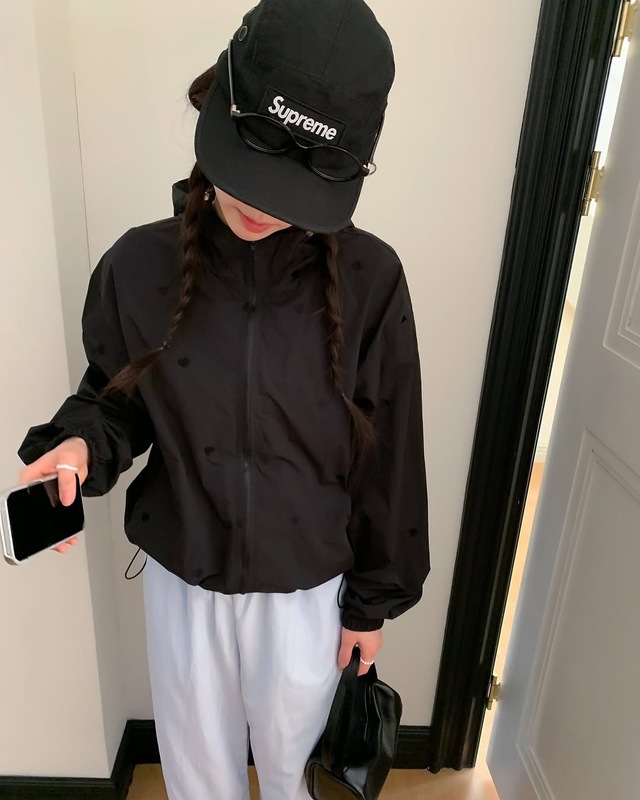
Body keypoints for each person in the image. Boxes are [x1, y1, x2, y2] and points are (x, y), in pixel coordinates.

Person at [17, 1, 429, 798]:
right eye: (255, 162)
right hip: (184, 576)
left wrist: (372, 604)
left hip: (309, 590)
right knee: (197, 774)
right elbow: (113, 401)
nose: (262, 203)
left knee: (293, 774)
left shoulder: (372, 280)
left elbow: (392, 454)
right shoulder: (138, 267)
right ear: (218, 105)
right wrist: (78, 446)